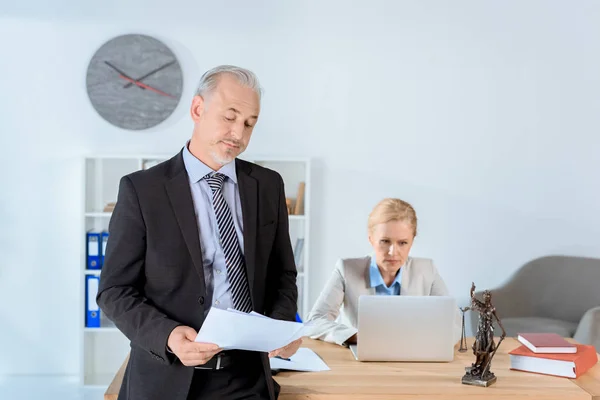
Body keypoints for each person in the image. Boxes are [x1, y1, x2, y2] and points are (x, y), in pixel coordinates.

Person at [97, 65, 300, 400]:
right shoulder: (142, 190)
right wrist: (170, 335)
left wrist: (277, 328)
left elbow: (283, 274)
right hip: (167, 378)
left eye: (250, 123)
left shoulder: (268, 186)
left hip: (247, 380)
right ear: (197, 109)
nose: (239, 133)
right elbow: (114, 290)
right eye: (230, 117)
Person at [306, 198, 460, 346]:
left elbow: (454, 324)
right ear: (371, 239)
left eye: (403, 243)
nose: (393, 252)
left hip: (412, 360)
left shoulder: (427, 270)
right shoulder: (346, 270)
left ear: (412, 241)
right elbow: (315, 321)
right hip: (360, 361)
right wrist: (355, 336)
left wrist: (423, 342)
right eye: (385, 241)